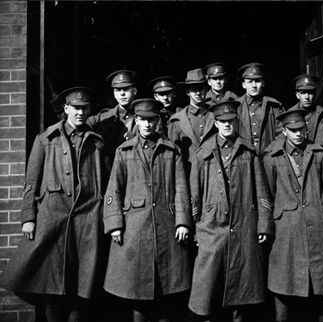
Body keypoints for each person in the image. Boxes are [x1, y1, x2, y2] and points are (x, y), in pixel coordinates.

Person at [1, 87, 107, 322]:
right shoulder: (46, 139)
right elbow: (31, 181)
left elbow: (104, 182)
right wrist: (28, 217)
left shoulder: (97, 142)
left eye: (85, 108)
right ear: (66, 109)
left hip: (86, 220)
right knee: (50, 283)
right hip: (52, 219)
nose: (80, 113)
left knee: (81, 284)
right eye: (76, 108)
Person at [103, 98, 192, 322]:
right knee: (138, 293)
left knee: (166, 294)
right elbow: (114, 188)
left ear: (157, 121)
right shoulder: (124, 151)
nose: (146, 125)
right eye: (142, 120)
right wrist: (114, 223)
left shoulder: (171, 150)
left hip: (167, 227)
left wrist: (182, 221)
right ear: (136, 120)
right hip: (135, 229)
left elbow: (181, 188)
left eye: (151, 120)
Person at [188, 100, 272, 321]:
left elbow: (261, 191)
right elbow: (194, 195)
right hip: (211, 226)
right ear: (215, 124)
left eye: (230, 121)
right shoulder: (202, 153)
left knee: (241, 292)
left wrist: (263, 224)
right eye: (222, 122)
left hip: (243, 225)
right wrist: (197, 226)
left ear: (236, 121)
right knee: (208, 290)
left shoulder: (248, 151)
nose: (227, 125)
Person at [263, 109, 323, 322]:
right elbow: (267, 194)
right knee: (284, 284)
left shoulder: (318, 154)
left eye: (301, 129)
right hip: (286, 229)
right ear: (284, 132)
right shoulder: (272, 156)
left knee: (322, 283)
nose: (298, 134)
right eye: (292, 130)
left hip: (319, 224)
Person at [87, 69, 138, 170]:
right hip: (110, 173)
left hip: (136, 172)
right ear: (114, 93)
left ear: (135, 91)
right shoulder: (102, 118)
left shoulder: (146, 118)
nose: (122, 94)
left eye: (126, 89)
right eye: (118, 90)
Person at [168, 68, 217, 174]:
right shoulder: (177, 121)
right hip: (189, 173)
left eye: (201, 89)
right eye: (194, 89)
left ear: (206, 90)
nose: (198, 93)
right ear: (187, 92)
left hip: (213, 173)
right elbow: (174, 156)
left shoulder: (215, 115)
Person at [236, 62, 284, 155]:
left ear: (263, 83)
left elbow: (283, 133)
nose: (254, 85)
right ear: (243, 85)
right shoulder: (236, 106)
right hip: (244, 158)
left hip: (269, 157)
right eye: (249, 81)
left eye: (257, 81)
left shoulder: (273, 107)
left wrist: (271, 150)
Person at [288, 74, 323, 145]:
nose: (307, 97)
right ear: (297, 95)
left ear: (315, 94)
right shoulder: (290, 114)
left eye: (310, 93)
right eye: (303, 93)